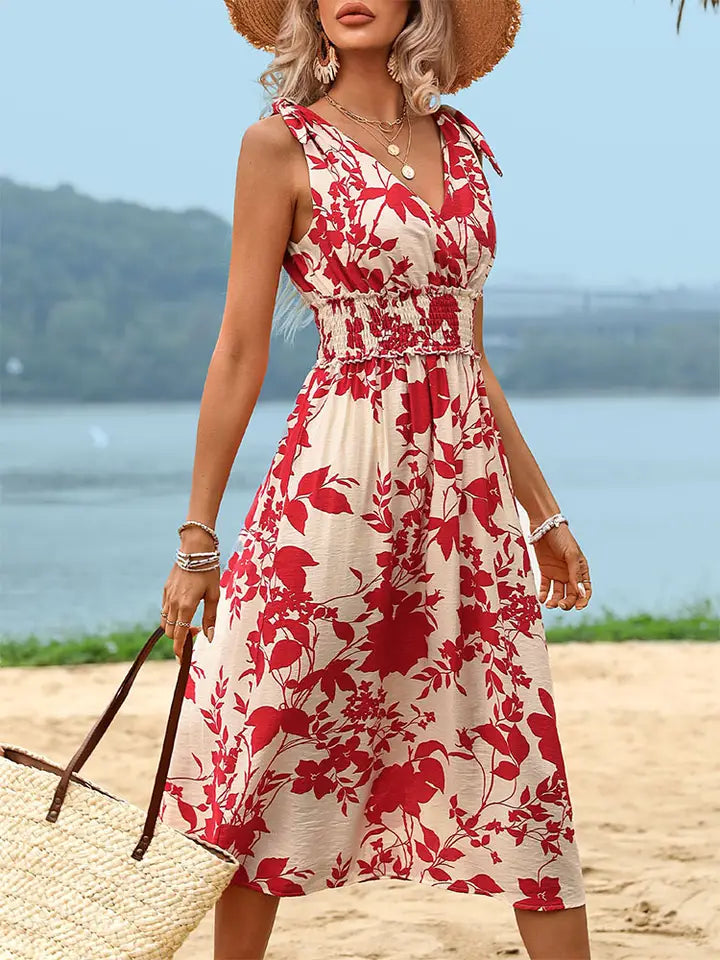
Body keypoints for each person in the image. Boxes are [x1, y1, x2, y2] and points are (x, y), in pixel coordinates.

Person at [157, 1, 593, 958]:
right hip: (339, 483)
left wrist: (543, 508)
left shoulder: (466, 146)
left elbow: (468, 354)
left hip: (468, 504)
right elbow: (238, 350)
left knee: (515, 749)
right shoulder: (279, 145)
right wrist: (198, 536)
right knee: (268, 744)